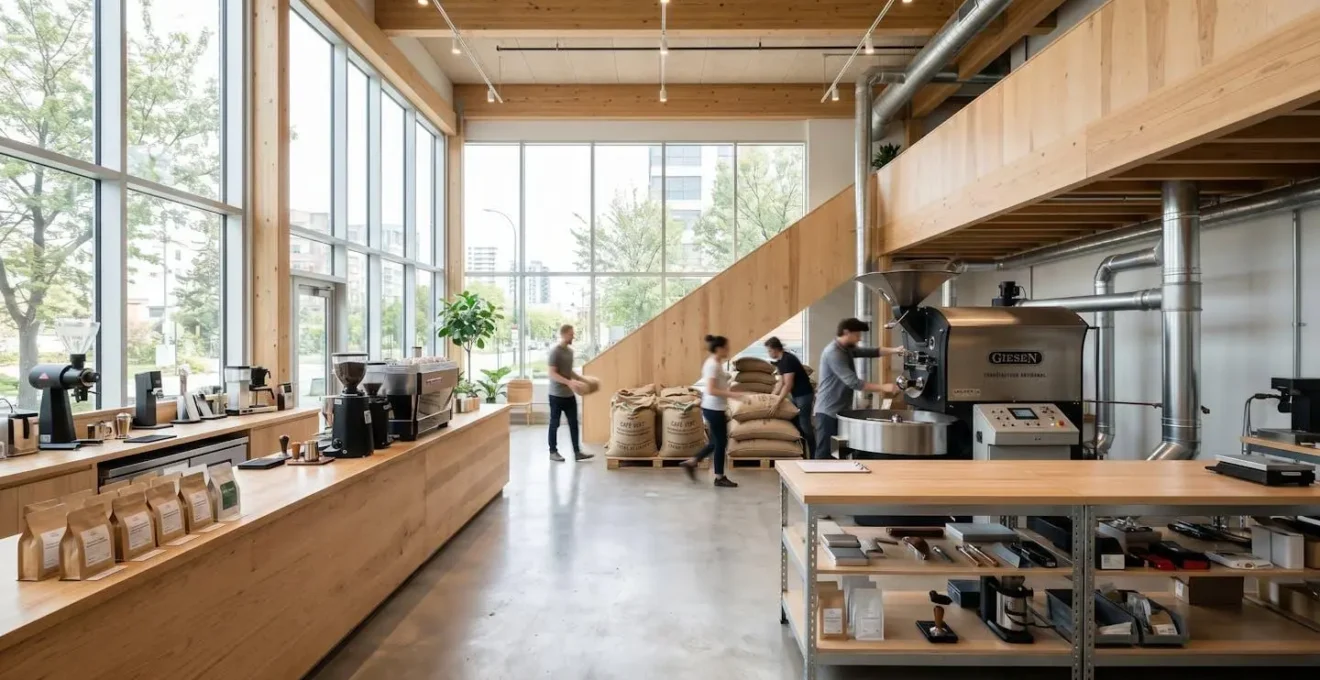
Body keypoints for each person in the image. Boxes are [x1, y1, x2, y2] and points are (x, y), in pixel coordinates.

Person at [813, 318, 903, 459]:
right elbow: (853, 382)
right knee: (825, 454)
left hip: (840, 411)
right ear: (846, 332)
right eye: (857, 335)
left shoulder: (846, 349)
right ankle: (815, 481)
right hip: (828, 412)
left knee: (839, 453)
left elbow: (871, 351)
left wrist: (896, 350)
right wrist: (884, 387)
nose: (859, 339)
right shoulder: (834, 353)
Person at [681, 334, 746, 488]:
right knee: (720, 443)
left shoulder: (716, 364)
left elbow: (718, 386)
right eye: (726, 348)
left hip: (715, 408)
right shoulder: (712, 365)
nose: (728, 350)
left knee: (715, 442)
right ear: (719, 349)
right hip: (713, 408)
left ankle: (692, 462)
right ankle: (719, 477)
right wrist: (733, 395)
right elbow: (710, 389)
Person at [546, 324, 594, 463]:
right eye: (571, 334)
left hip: (569, 395)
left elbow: (568, 371)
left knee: (574, 423)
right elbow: (552, 373)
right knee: (554, 423)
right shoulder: (555, 352)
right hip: (556, 395)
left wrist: (581, 379)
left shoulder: (570, 352)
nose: (573, 336)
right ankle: (553, 452)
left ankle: (577, 452)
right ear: (564, 334)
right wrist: (569, 382)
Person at [764, 336, 816, 458]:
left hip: (804, 395)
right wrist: (771, 397)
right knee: (794, 422)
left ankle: (814, 453)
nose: (769, 353)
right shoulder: (781, 361)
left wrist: (777, 402)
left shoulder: (788, 360)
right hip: (796, 395)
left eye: (769, 350)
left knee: (804, 425)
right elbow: (780, 382)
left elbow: (788, 384)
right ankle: (802, 450)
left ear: (775, 349)